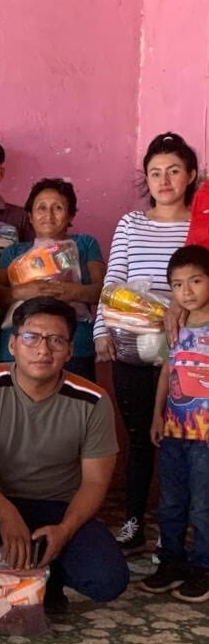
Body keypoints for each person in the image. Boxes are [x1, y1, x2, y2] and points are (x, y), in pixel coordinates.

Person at [0, 297, 130, 613]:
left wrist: (65, 530)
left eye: (56, 340)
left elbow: (95, 481)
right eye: (32, 337)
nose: (43, 350)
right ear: (13, 344)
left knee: (108, 580)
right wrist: (6, 512)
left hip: (56, 510)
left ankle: (46, 580)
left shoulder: (93, 400)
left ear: (70, 351)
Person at [95, 132, 200, 552]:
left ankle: (187, 530)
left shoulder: (202, 223)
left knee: (189, 437)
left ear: (190, 175)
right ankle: (135, 522)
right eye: (155, 173)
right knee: (140, 436)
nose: (165, 180)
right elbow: (113, 281)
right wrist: (103, 331)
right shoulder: (131, 224)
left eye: (174, 171)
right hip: (133, 347)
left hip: (189, 347)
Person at [144, 246, 209, 600]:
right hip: (174, 429)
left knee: (203, 503)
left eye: (196, 281)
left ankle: (203, 566)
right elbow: (169, 371)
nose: (187, 291)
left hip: (205, 436)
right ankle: (171, 562)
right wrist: (157, 414)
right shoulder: (176, 324)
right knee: (170, 501)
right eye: (178, 284)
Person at [0, 178, 105, 379]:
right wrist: (25, 292)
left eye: (58, 208)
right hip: (20, 346)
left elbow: (103, 292)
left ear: (70, 214)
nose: (48, 215)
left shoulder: (85, 244)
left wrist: (71, 292)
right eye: (41, 208)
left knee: (74, 406)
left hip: (75, 345)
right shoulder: (14, 252)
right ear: (30, 216)